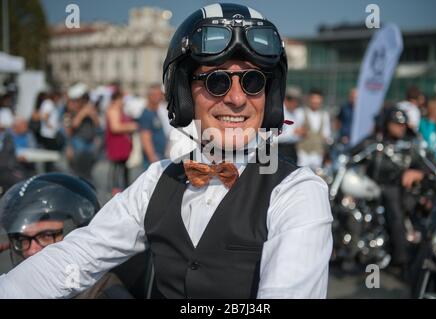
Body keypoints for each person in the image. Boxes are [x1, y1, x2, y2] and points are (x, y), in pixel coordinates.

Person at [0, 3, 332, 299]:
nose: (236, 98)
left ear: (269, 97)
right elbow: (75, 257)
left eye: (253, 82)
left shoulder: (298, 192)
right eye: (217, 81)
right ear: (183, 94)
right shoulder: (156, 179)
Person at [0, 173, 133, 298]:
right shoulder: (27, 289)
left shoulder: (102, 292)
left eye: (46, 236)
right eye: (22, 240)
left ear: (81, 233)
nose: (31, 251)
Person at [351, 107, 430, 273]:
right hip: (373, 185)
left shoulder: (409, 144)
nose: (400, 127)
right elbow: (354, 152)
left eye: (403, 124)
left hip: (398, 188)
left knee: (393, 205)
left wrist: (417, 172)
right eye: (396, 123)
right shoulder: (375, 141)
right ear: (387, 123)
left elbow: (426, 165)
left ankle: (401, 257)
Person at [105, 89, 138, 194]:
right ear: (116, 99)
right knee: (116, 169)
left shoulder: (120, 110)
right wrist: (131, 126)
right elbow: (115, 127)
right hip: (117, 145)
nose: (123, 102)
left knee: (123, 169)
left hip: (122, 145)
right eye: (121, 99)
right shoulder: (113, 111)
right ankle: (115, 190)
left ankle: (123, 189)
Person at [65, 84, 100, 181]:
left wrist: (93, 115)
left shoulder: (89, 109)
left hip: (90, 142)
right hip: (78, 142)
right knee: (77, 171)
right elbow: (72, 126)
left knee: (88, 170)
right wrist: (83, 114)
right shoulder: (70, 111)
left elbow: (97, 124)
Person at [296, 88, 332, 169]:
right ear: (309, 99)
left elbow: (326, 135)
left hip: (318, 152)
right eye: (314, 98)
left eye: (318, 99)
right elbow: (296, 130)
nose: (315, 101)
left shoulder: (324, 115)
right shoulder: (301, 112)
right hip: (303, 152)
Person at [138, 84, 167, 169]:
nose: (159, 97)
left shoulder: (159, 112)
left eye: (160, 95)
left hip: (162, 155)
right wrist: (152, 157)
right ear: (149, 96)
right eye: (155, 95)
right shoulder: (146, 114)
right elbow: (145, 137)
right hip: (154, 158)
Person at [275, 86, 302, 164]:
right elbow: (273, 137)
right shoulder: (278, 112)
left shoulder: (295, 113)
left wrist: (299, 135)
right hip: (280, 150)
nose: (296, 104)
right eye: (294, 101)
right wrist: (294, 134)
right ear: (287, 100)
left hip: (291, 150)